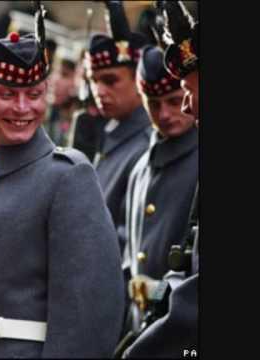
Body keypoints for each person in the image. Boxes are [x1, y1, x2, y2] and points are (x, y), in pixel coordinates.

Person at [0, 27, 124, 358]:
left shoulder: (67, 176)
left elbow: (90, 313)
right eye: (8, 95)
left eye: (35, 94)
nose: (23, 108)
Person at [123, 1, 199, 356]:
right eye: (154, 104)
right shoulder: (140, 166)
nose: (171, 112)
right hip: (148, 323)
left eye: (178, 96)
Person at [85, 1, 151, 252]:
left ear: (138, 80)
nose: (99, 91)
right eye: (94, 80)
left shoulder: (145, 144)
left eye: (111, 80)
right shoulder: (110, 131)